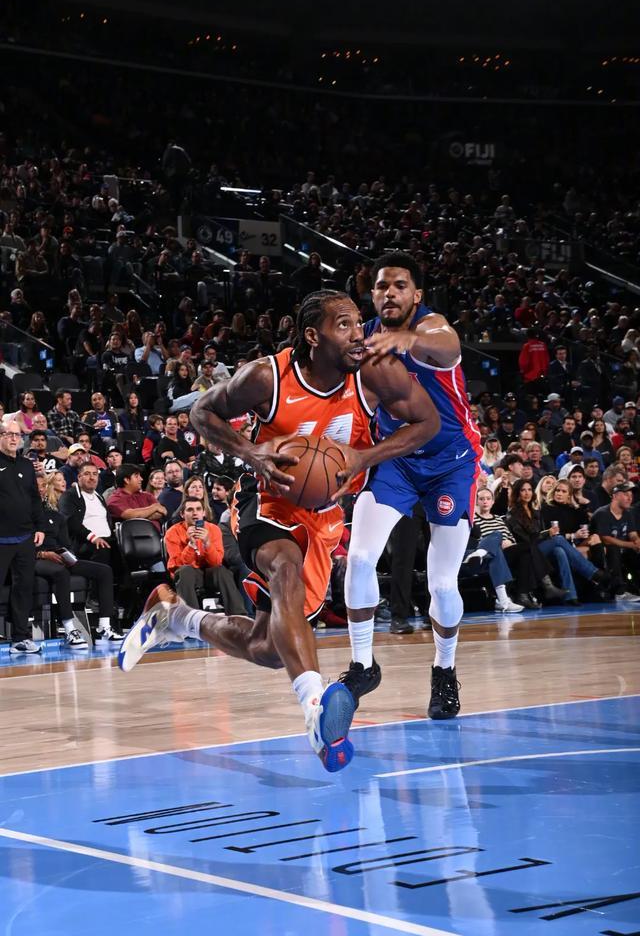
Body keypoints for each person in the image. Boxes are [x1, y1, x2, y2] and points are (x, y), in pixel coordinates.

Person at [119, 288, 440, 773]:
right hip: (265, 499)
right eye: (344, 325)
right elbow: (201, 412)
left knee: (269, 648)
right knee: (284, 569)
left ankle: (176, 617)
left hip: (322, 516)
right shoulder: (267, 377)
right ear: (313, 336)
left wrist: (364, 458)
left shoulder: (374, 373)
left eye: (359, 323)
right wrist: (250, 452)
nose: (359, 334)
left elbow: (427, 422)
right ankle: (315, 708)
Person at [338, 252, 481, 721]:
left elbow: (448, 344)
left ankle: (445, 669)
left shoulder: (431, 327)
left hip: (450, 463)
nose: (390, 293)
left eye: (400, 285)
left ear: (416, 295)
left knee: (441, 583)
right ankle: (362, 665)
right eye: (382, 286)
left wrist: (407, 339)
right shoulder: (362, 340)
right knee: (360, 557)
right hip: (397, 459)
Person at [35, 475, 121, 647]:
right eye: (36, 486)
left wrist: (69, 556)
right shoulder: (21, 517)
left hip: (59, 557)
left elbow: (66, 544)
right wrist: (43, 554)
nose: (40, 489)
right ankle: (69, 629)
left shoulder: (55, 515)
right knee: (60, 572)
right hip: (35, 558)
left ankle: (104, 627)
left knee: (104, 571)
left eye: (43, 485)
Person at [0, 421, 46, 653]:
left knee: (24, 588)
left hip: (25, 537)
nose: (13, 438)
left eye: (17, 435)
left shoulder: (27, 465)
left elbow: (35, 499)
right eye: (8, 434)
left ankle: (20, 638)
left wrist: (40, 527)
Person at [164, 495, 247, 615]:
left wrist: (207, 543)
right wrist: (191, 545)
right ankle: (191, 618)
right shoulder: (172, 532)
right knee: (185, 571)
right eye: (190, 510)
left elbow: (216, 562)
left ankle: (239, 616)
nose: (195, 513)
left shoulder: (214, 529)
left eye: (198, 509)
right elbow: (178, 565)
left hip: (209, 573)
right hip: (188, 575)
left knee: (221, 571)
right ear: (182, 514)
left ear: (203, 513)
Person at [474, 488, 541, 609]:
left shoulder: (498, 518)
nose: (485, 501)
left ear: (493, 502)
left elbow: (510, 537)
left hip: (508, 550)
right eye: (481, 499)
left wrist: (509, 542)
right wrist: (500, 543)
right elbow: (479, 540)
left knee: (526, 555)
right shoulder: (474, 519)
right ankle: (528, 592)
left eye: (488, 499)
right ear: (477, 502)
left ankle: (521, 595)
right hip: (490, 553)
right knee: (528, 547)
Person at [590, 483, 640, 601]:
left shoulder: (628, 513)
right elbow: (605, 539)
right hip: (601, 552)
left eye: (631, 495)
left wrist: (637, 541)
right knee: (613, 549)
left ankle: (636, 588)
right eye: (626, 494)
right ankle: (619, 592)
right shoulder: (602, 513)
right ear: (615, 496)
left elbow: (632, 533)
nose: (630, 498)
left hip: (623, 550)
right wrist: (630, 545)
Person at [108, 464, 168, 533]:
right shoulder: (115, 500)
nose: (141, 479)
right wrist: (154, 507)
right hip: (133, 538)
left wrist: (138, 515)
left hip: (157, 536)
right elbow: (130, 515)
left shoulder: (147, 495)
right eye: (136, 476)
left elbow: (161, 512)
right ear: (127, 480)